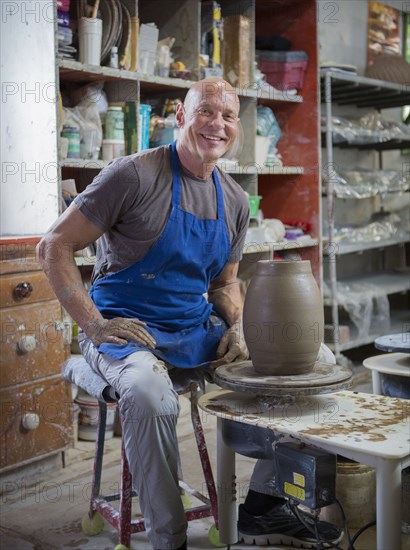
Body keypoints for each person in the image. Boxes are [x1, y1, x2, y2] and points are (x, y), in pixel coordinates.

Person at [38, 78, 341, 550]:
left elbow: (222, 285)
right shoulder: (132, 176)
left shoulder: (235, 201)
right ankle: (169, 537)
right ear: (181, 115)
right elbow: (53, 245)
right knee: (149, 393)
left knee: (315, 362)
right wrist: (93, 324)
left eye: (228, 116)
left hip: (192, 329)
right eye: (206, 112)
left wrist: (239, 327)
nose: (217, 125)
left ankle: (263, 507)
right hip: (123, 328)